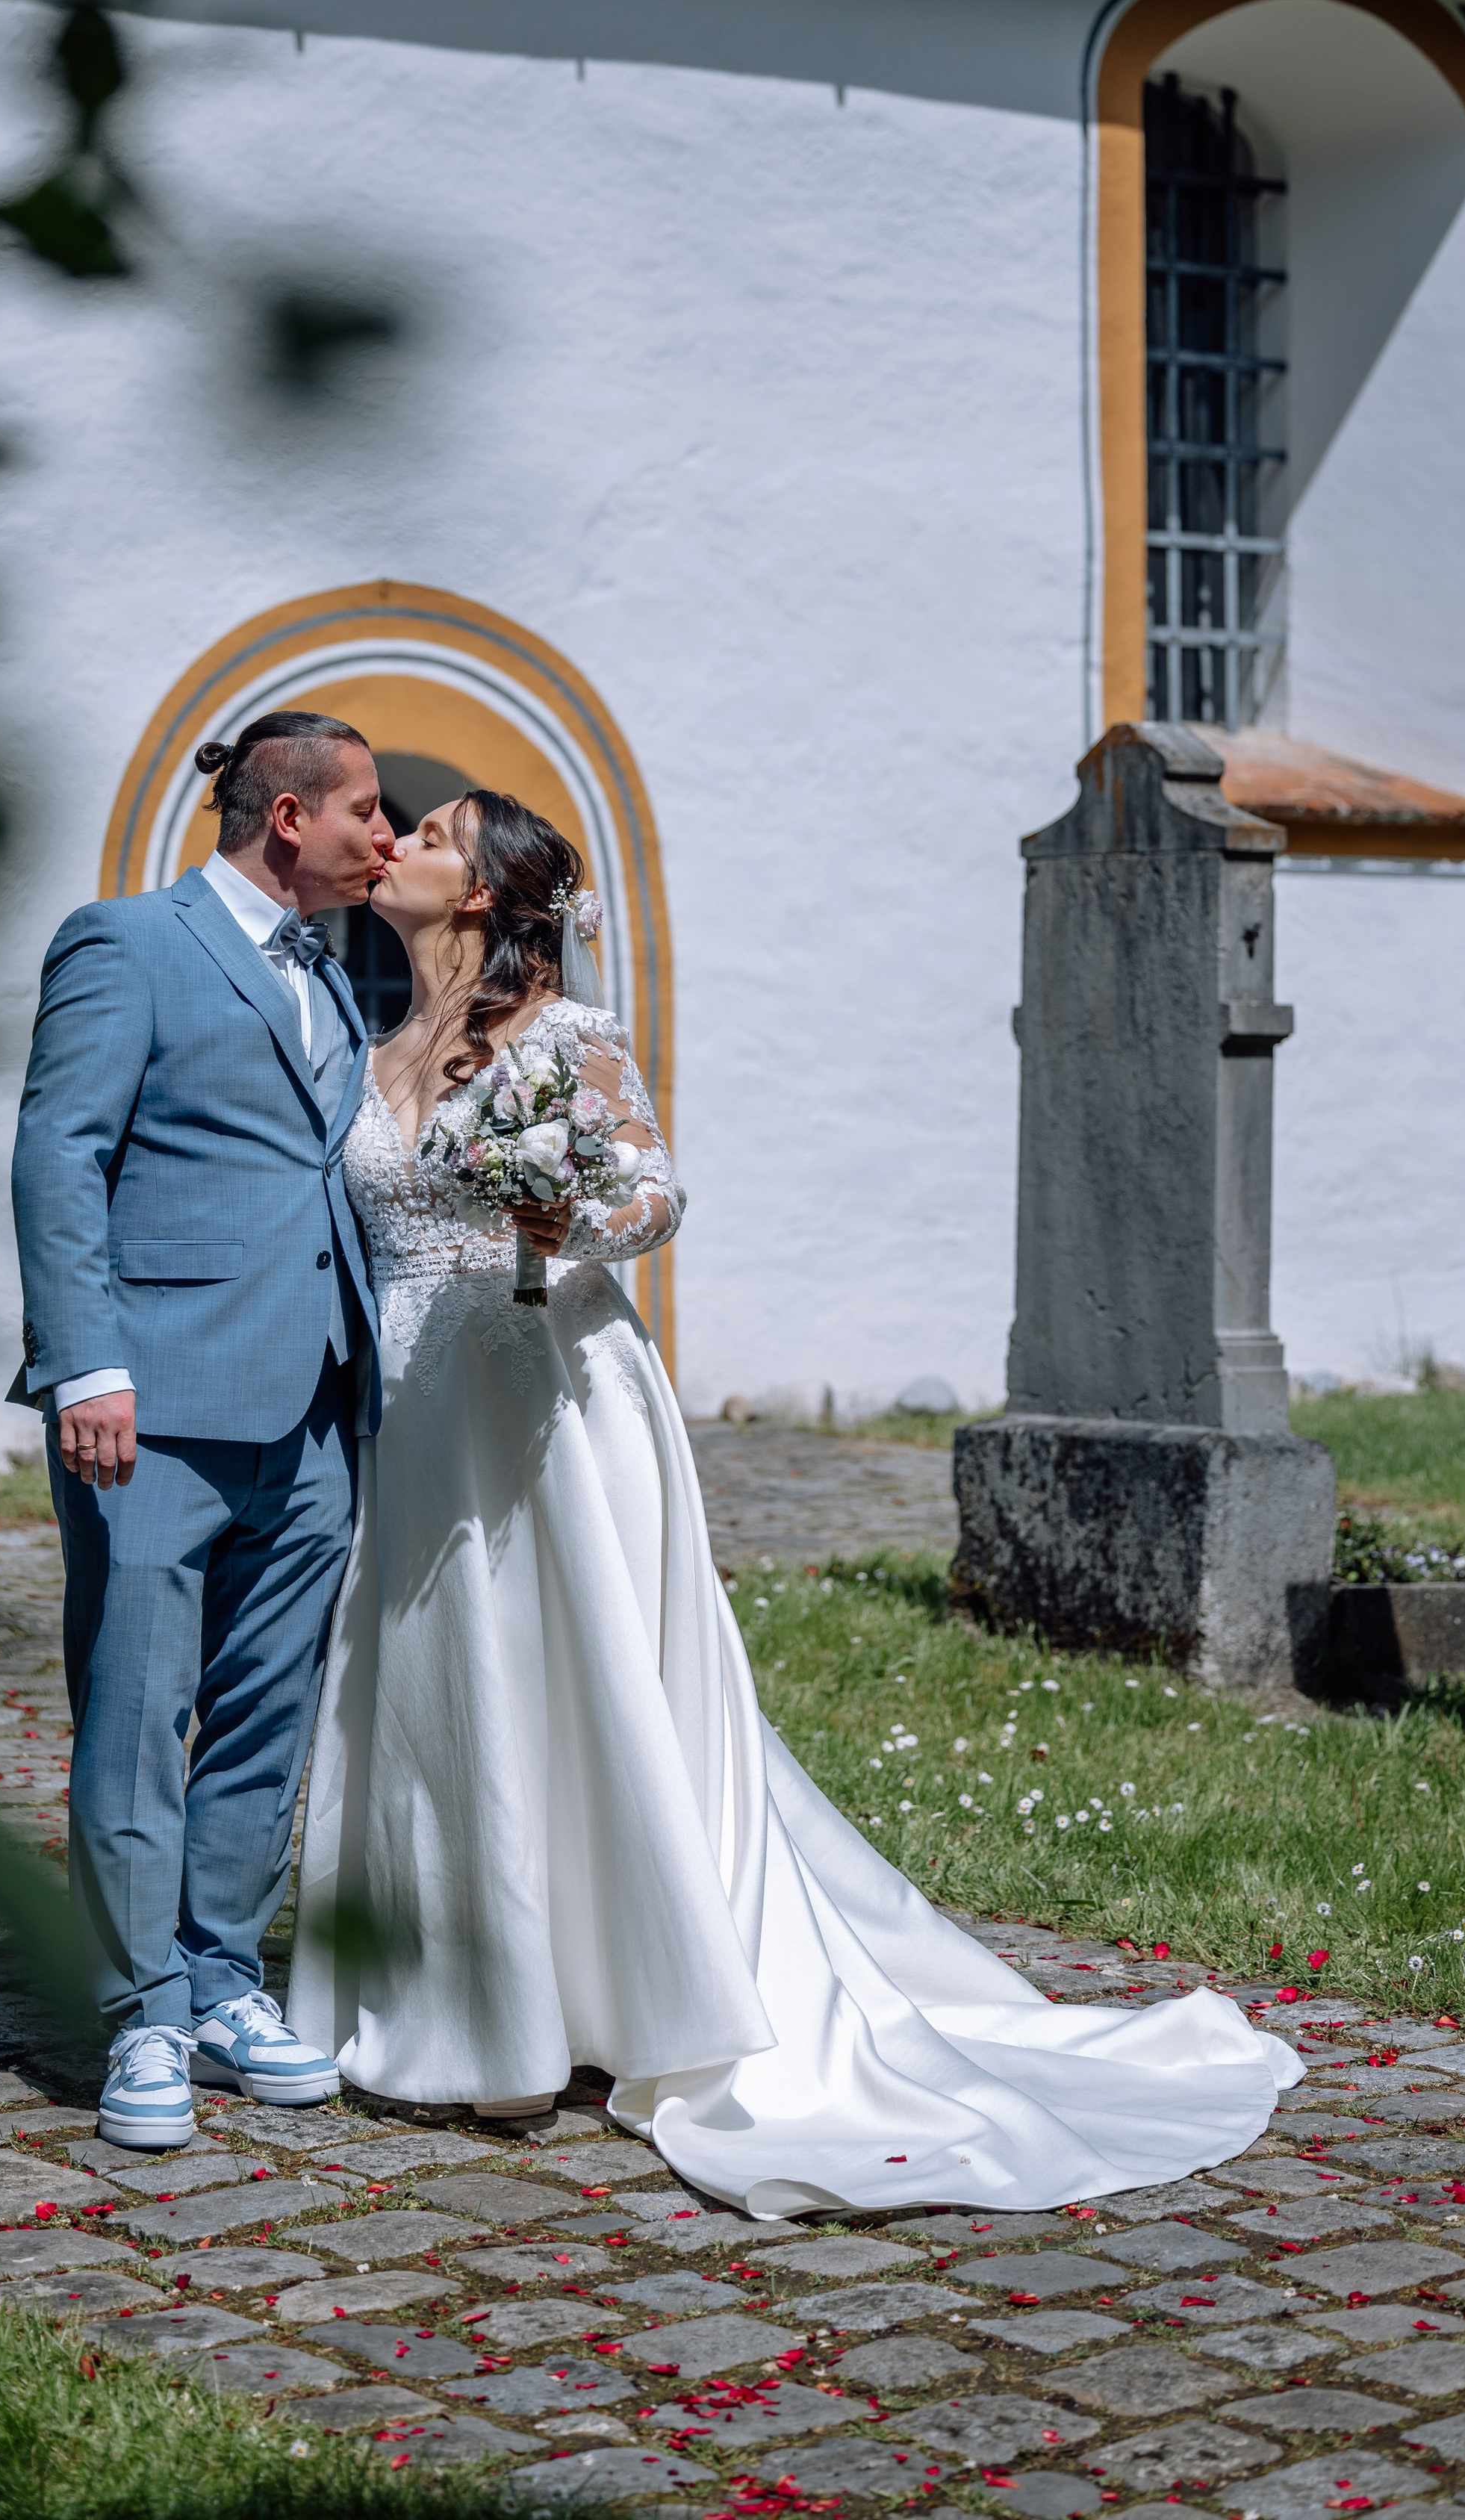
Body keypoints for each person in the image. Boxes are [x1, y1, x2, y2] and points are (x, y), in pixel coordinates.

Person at [292, 789, 1301, 2214]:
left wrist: (553, 1217)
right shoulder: (378, 1042)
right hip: (414, 1402)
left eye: (435, 835)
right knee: (437, 1684)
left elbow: (651, 1197)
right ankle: (467, 2000)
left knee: (565, 1680)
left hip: (545, 1400)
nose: (396, 840)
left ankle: (606, 2002)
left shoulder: (561, 1040)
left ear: (479, 897)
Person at [10, 709, 391, 2151]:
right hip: (151, 1404)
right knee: (132, 1708)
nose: (385, 835)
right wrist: (83, 1365)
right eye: (366, 808)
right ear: (288, 817)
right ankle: (139, 2011)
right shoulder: (127, 941)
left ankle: (225, 1976)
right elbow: (60, 1150)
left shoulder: (339, 975)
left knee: (261, 1714)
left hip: (312, 1407)